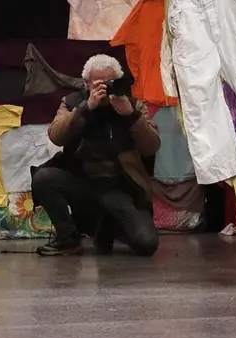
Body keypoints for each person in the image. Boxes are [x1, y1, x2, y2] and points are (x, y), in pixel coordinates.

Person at [31, 54, 161, 257]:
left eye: (111, 83)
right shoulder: (73, 102)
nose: (105, 89)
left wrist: (131, 117)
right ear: (86, 84)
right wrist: (86, 108)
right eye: (99, 84)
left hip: (121, 188)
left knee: (147, 244)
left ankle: (108, 229)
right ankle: (68, 239)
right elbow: (56, 136)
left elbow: (151, 146)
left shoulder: (132, 105)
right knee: (43, 178)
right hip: (83, 183)